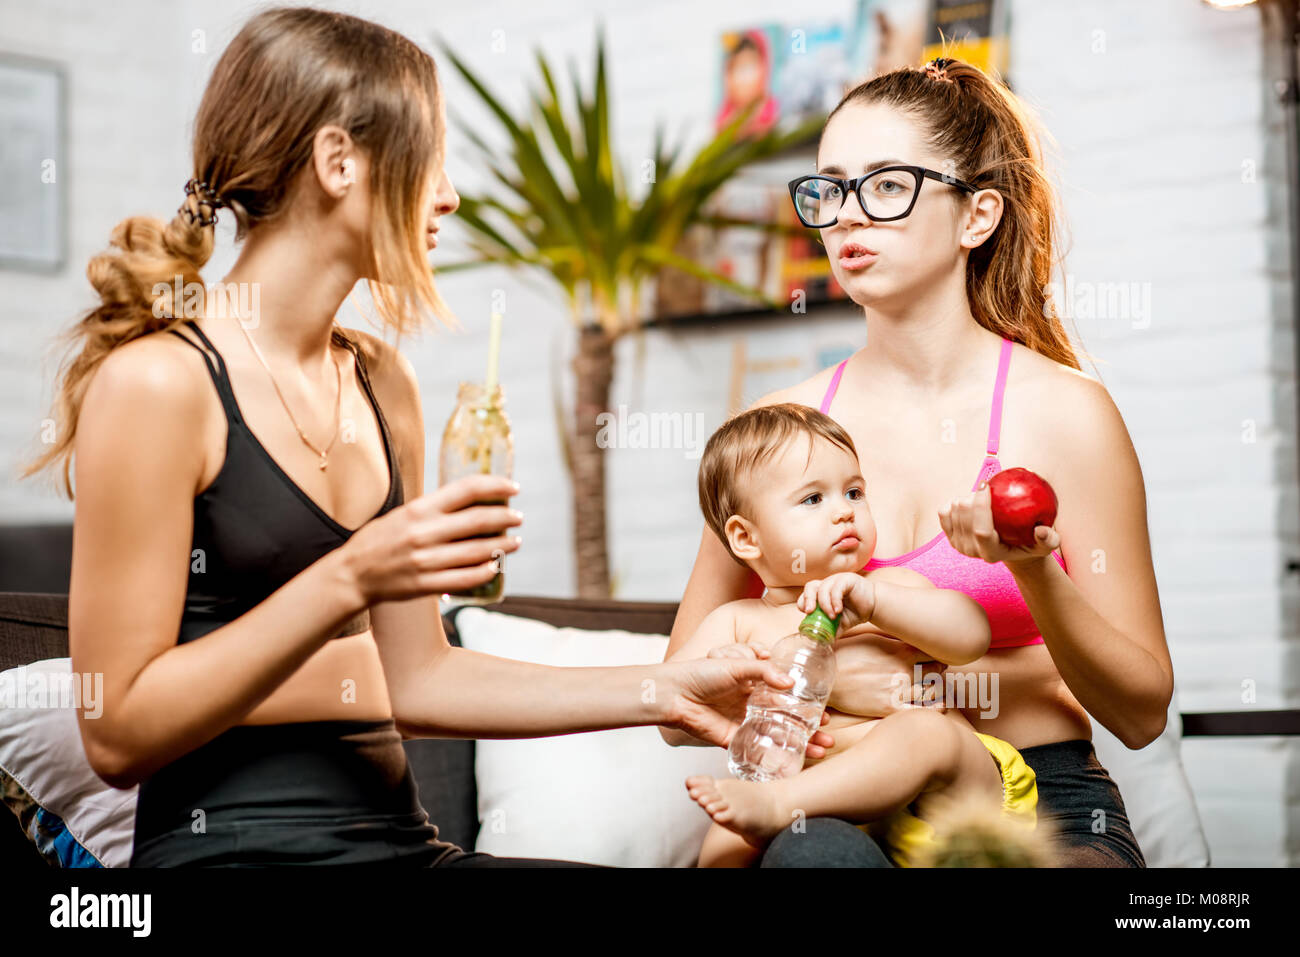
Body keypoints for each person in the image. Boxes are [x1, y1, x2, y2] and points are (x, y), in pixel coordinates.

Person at [20, 6, 797, 868]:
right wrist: (351, 572)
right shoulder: (159, 383)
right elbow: (116, 729)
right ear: (337, 161)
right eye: (430, 159)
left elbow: (421, 679)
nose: (451, 194)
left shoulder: (383, 381)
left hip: (404, 846)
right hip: (233, 854)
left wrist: (664, 687)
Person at [667, 56, 1171, 868]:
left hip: (1033, 807)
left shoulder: (1067, 413)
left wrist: (1032, 576)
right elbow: (675, 695)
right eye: (830, 190)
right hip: (835, 802)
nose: (847, 218)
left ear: (977, 216)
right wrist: (825, 681)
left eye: (888, 185)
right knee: (811, 857)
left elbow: (1142, 710)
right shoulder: (772, 429)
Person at [665, 403, 1040, 868]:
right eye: (813, 499)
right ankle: (781, 804)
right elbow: (672, 715)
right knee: (725, 834)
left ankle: (782, 805)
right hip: (825, 810)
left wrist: (877, 605)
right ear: (746, 538)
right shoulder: (736, 621)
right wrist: (732, 679)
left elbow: (971, 636)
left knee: (923, 731)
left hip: (947, 805)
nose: (844, 512)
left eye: (854, 492)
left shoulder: (889, 589)